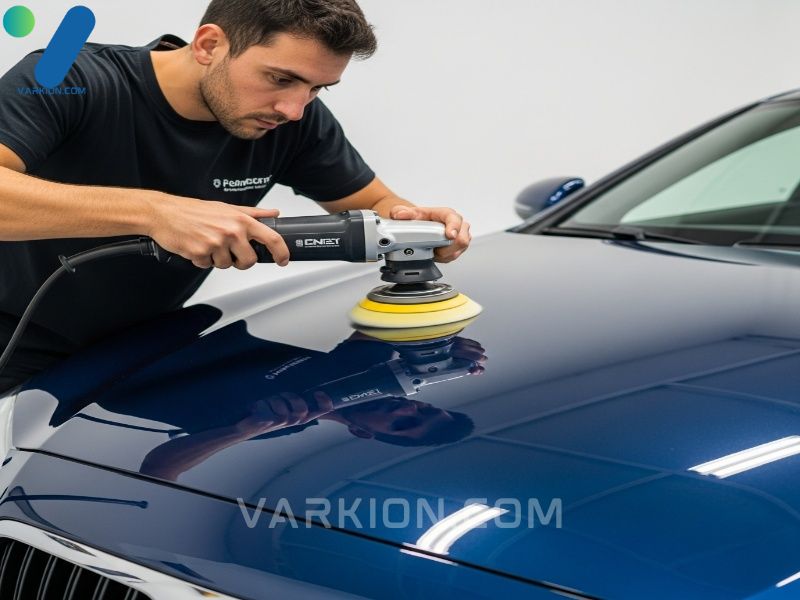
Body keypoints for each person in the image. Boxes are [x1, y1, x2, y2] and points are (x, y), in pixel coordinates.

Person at [0, 0, 472, 394]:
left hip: (142, 350)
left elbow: (376, 205)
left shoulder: (293, 121)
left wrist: (414, 223)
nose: (294, 109)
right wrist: (156, 212)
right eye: (280, 79)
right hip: (13, 340)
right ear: (209, 45)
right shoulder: (65, 74)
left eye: (317, 88)